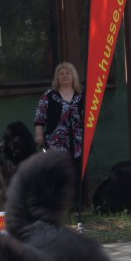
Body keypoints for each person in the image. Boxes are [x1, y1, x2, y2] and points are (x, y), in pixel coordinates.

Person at [33, 61, 88, 205]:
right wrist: (39, 135)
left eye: (68, 73)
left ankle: (79, 205)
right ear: (56, 78)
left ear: (74, 76)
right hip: (56, 143)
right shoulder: (49, 96)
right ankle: (59, 204)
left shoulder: (82, 95)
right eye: (61, 74)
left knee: (78, 173)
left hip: (78, 142)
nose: (64, 76)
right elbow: (40, 118)